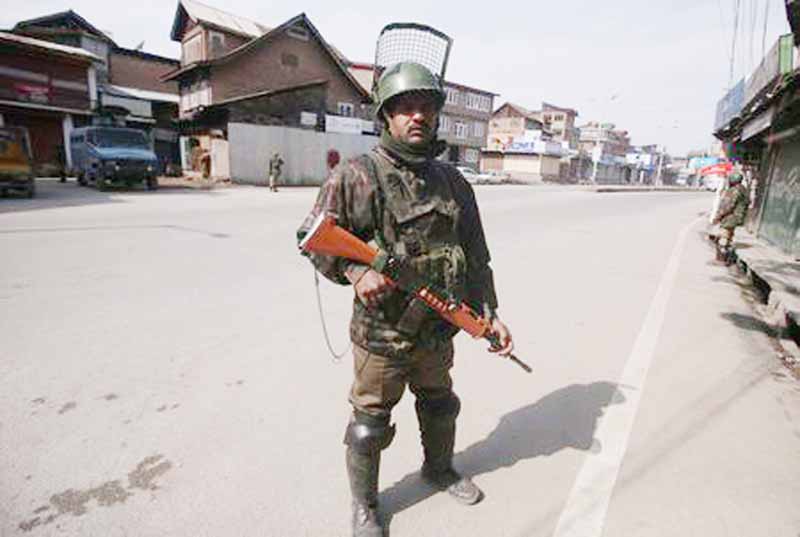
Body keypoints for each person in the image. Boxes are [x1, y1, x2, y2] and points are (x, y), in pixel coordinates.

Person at [297, 62, 514, 537]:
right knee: (370, 423)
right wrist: (355, 271)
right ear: (387, 117)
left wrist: (490, 314)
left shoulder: (454, 182)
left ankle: (439, 470)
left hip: (438, 327)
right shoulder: (357, 175)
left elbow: (476, 256)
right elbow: (310, 237)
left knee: (440, 404)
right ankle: (366, 506)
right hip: (384, 332)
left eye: (427, 109)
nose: (418, 117)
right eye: (406, 108)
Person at [712, 172, 748, 264]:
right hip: (736, 218)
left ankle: (722, 260)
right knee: (728, 237)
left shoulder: (734, 191)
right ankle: (727, 258)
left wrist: (718, 216)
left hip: (730, 218)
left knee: (723, 239)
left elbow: (727, 206)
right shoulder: (743, 189)